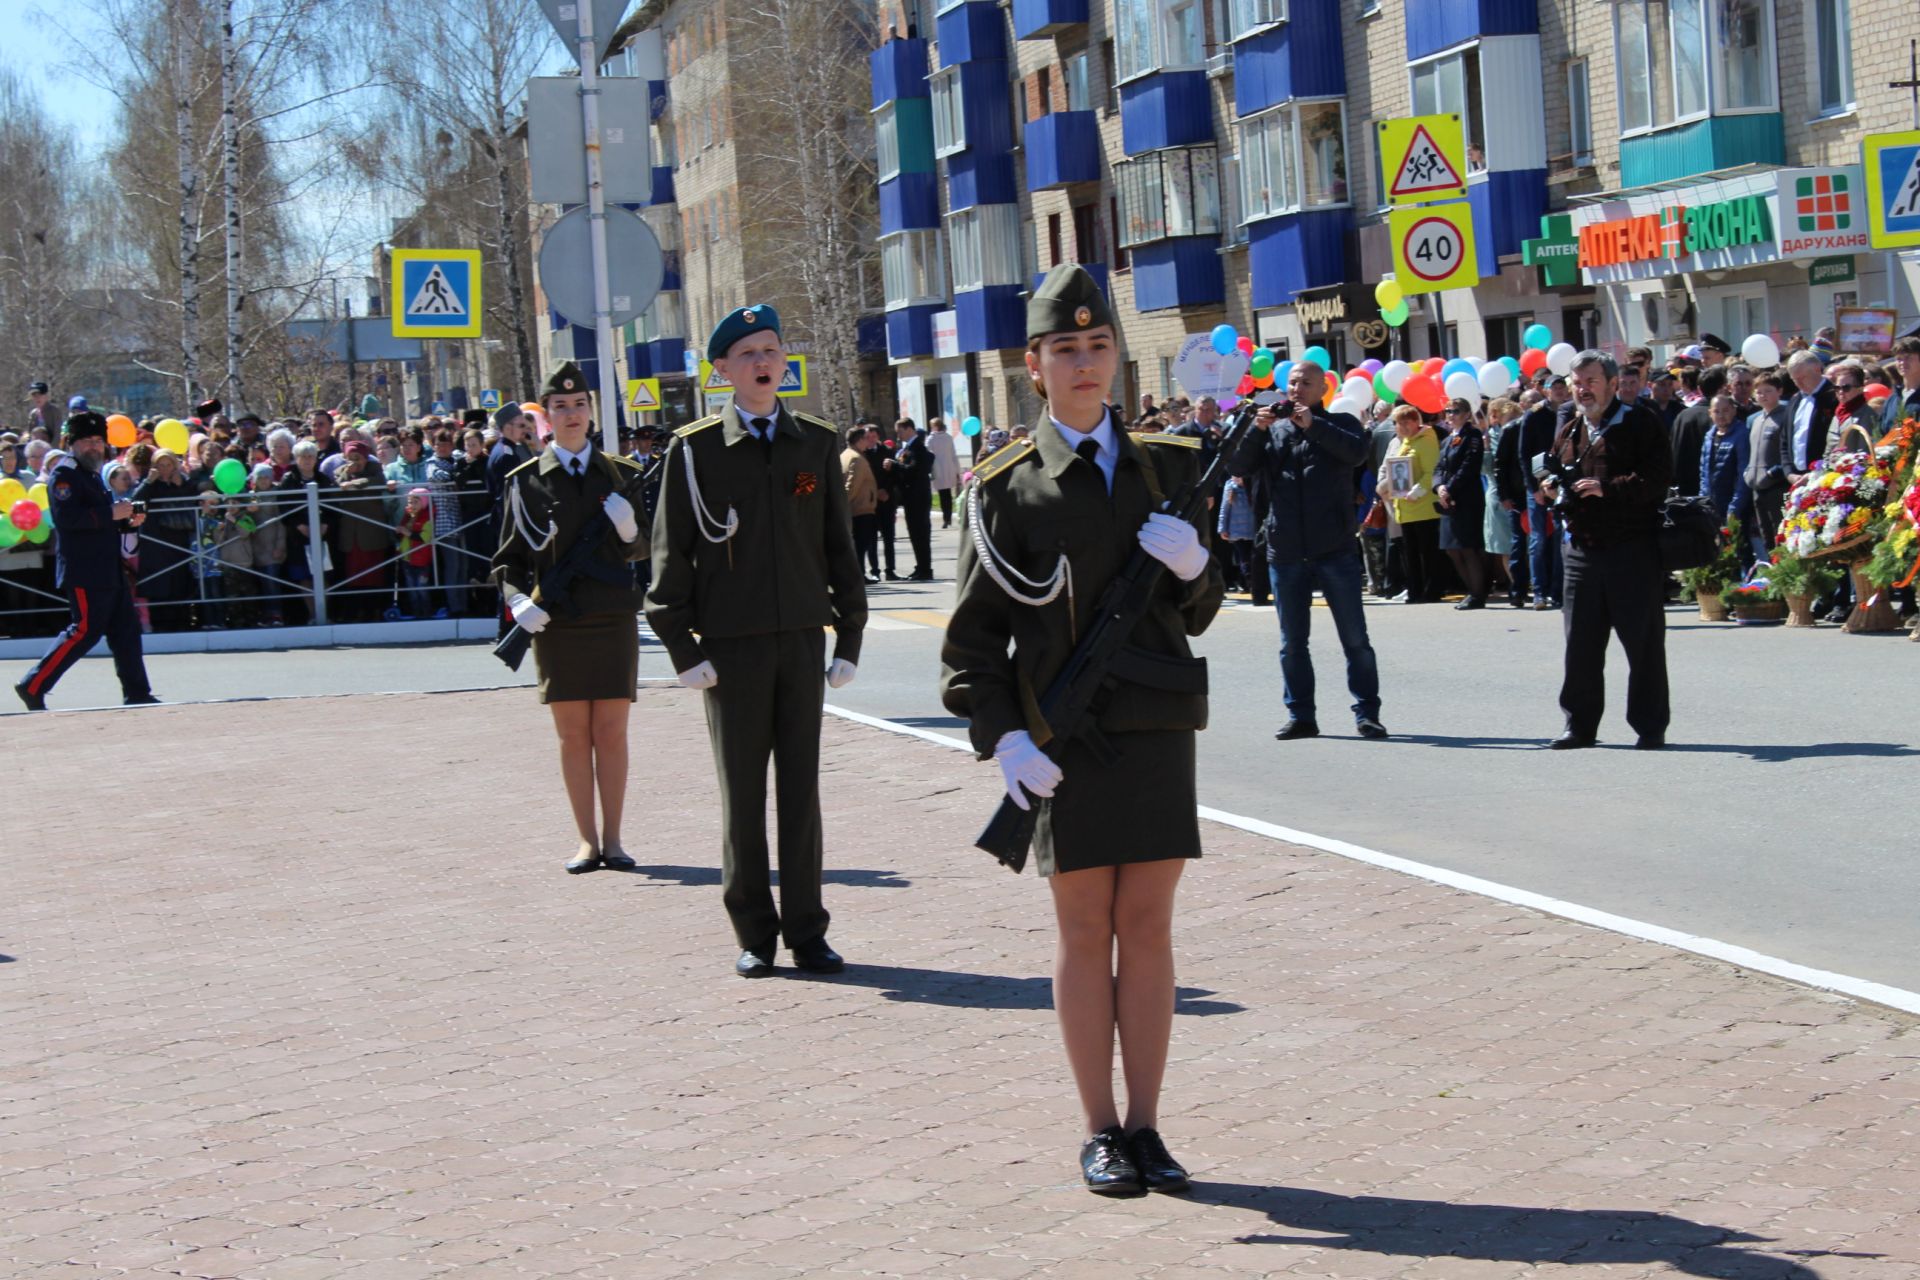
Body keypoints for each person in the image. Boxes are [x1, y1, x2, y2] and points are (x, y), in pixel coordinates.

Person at [941, 263, 1222, 1196]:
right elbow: (972, 644)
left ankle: (1147, 1126)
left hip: (1153, 729)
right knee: (1081, 930)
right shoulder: (1004, 488)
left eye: (1100, 346)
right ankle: (1099, 1130)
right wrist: (1004, 740)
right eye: (1067, 348)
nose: (1087, 364)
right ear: (1035, 365)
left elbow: (1202, 610)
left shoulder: (1169, 468)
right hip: (1060, 747)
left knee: (1147, 928)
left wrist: (1194, 565)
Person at [647, 303, 867, 978]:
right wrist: (683, 648)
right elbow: (671, 557)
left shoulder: (814, 443)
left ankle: (807, 929)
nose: (764, 363)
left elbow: (838, 545)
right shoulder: (696, 451)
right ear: (722, 370)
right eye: (748, 355)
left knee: (801, 791)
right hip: (731, 648)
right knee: (743, 794)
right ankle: (754, 932)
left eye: (771, 350)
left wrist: (849, 636)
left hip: (801, 638)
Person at [494, 361, 652, 874]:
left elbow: (649, 549)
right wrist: (518, 601)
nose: (572, 414)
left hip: (611, 620)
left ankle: (615, 838)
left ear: (592, 411)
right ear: (547, 417)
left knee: (611, 733)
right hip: (556, 623)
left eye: (579, 405)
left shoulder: (622, 475)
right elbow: (510, 560)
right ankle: (586, 840)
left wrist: (629, 533)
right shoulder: (526, 484)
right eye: (560, 407)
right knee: (572, 736)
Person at [1231, 358, 1385, 740]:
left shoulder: (1340, 424)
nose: (1297, 389)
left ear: (1322, 390)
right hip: (1285, 549)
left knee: (1355, 640)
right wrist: (1256, 429)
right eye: (1293, 383)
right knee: (1292, 644)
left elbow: (1355, 454)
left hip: (1333, 548)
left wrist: (1313, 426)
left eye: (1306, 383)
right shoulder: (1273, 430)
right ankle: (1301, 715)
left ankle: (1367, 713)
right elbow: (1238, 465)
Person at [1541, 351, 1672, 751]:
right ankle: (1579, 725)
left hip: (1631, 550)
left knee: (1643, 643)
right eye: (1577, 382)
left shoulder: (1639, 422)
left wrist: (1607, 489)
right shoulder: (1570, 428)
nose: (1582, 389)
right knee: (1580, 644)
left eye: (1591, 381)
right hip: (1581, 551)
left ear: (1614, 384)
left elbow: (1658, 480)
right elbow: (1550, 470)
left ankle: (1650, 727)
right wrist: (1549, 489)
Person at [13, 412, 158, 710]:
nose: (94, 446)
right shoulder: (64, 475)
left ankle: (138, 692)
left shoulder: (91, 473)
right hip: (85, 569)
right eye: (87, 441)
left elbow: (102, 521)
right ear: (72, 443)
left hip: (108, 567)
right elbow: (68, 519)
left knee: (126, 631)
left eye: (98, 441)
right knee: (84, 631)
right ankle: (33, 684)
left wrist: (127, 521)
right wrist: (111, 514)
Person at [1433, 398, 1489, 609]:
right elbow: (1439, 467)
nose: (1451, 415)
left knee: (1467, 547)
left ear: (1466, 414)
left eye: (1456, 411)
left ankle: (1477, 594)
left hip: (1466, 498)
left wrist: (1450, 488)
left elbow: (1469, 466)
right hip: (1448, 499)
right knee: (1451, 549)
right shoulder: (1448, 440)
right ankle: (1471, 590)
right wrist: (1439, 486)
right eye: (1447, 411)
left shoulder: (1472, 435)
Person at [1381, 405, 1441, 603]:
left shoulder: (1426, 441)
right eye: (1399, 423)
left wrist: (1417, 492)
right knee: (1411, 554)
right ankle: (1415, 591)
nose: (1403, 426)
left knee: (1427, 553)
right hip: (1405, 508)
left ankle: (1431, 591)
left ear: (1417, 422)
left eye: (1407, 422)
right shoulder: (1405, 442)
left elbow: (1431, 472)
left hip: (1423, 507)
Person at [1515, 382, 1567, 608]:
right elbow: (1523, 455)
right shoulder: (1534, 415)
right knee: (1538, 540)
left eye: (1562, 387)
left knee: (1560, 537)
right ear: (1546, 391)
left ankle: (1557, 591)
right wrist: (1533, 488)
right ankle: (1538, 592)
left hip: (1560, 483)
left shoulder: (1569, 411)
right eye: (1554, 387)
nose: (1559, 391)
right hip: (1537, 484)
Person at [1744, 371, 1793, 559]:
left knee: (1779, 532)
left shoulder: (1784, 416)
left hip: (1776, 485)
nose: (1763, 395)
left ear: (1779, 391)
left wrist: (1775, 473)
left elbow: (1787, 451)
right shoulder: (1755, 420)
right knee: (1766, 536)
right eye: (1759, 392)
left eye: (1768, 391)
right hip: (1756, 486)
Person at [886, 417, 934, 580]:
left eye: (900, 431)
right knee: (915, 532)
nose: (898, 435)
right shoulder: (909, 447)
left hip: (917, 497)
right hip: (911, 497)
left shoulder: (917, 447)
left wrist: (894, 465)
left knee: (920, 532)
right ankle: (921, 566)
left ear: (909, 429)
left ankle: (925, 569)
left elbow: (913, 469)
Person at [1668, 365, 1724, 498]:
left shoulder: (1683, 415)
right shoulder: (1722, 418)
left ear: (1699, 389)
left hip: (1686, 485)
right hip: (1714, 486)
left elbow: (1673, 449)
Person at [1785, 350, 1836, 486]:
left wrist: (1818, 472)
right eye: (1794, 380)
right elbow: (1785, 439)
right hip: (1797, 478)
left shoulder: (1834, 397)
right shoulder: (1795, 400)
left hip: (1824, 477)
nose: (1799, 384)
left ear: (1817, 369)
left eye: (1803, 378)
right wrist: (1789, 472)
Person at [841, 424, 880, 583]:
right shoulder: (856, 459)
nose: (868, 441)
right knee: (860, 545)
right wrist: (843, 505)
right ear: (858, 440)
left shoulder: (845, 455)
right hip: (860, 508)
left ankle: (859, 574)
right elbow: (852, 486)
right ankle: (858, 576)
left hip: (856, 508)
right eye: (865, 438)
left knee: (858, 545)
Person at [927, 416, 960, 528]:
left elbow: (928, 454)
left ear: (935, 427)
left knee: (942, 494)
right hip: (949, 467)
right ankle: (948, 517)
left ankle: (946, 518)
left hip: (938, 468)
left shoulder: (930, 439)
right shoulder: (948, 438)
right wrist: (957, 470)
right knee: (948, 494)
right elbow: (953, 454)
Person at [1882, 335, 1920, 430]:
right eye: (1899, 358)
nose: (1903, 363)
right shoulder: (1893, 399)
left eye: (1908, 357)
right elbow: (1881, 431)